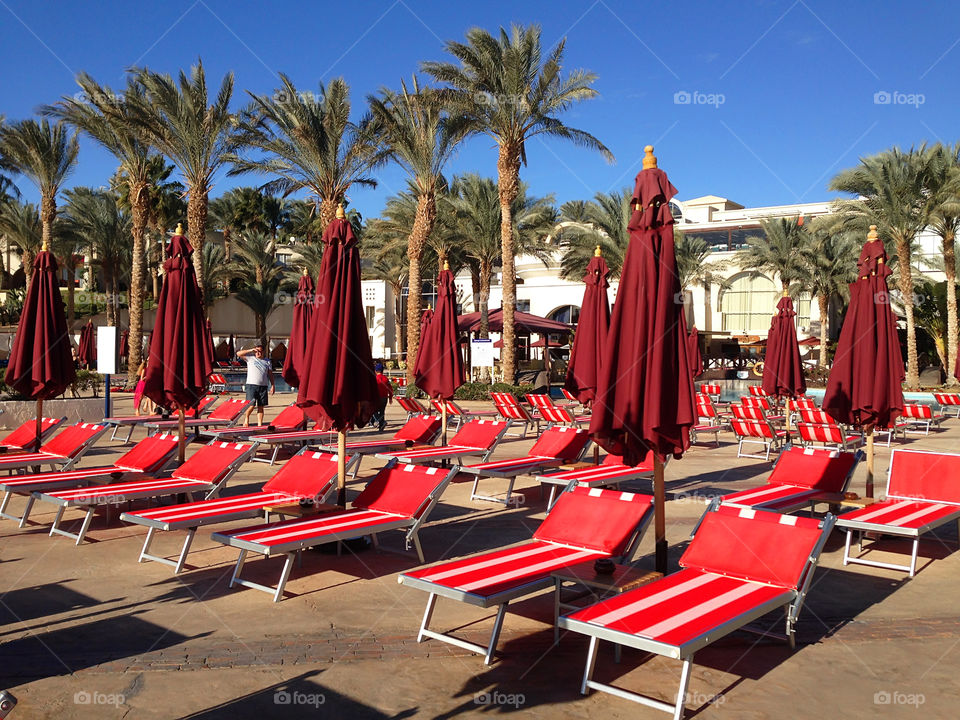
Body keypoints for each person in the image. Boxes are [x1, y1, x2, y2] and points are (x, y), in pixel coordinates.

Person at [237, 344, 275, 426]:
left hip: (263, 386)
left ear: (263, 352)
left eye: (260, 351)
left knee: (261, 406)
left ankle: (260, 424)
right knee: (251, 405)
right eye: (257, 351)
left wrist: (273, 385)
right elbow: (238, 354)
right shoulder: (250, 358)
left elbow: (270, 374)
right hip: (251, 385)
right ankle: (246, 419)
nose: (258, 353)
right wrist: (251, 350)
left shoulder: (267, 361)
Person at [371, 367, 394, 432]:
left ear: (375, 370)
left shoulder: (374, 378)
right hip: (384, 398)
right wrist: (390, 398)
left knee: (373, 411)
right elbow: (390, 389)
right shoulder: (386, 378)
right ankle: (381, 427)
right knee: (382, 412)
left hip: (376, 398)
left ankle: (381, 421)